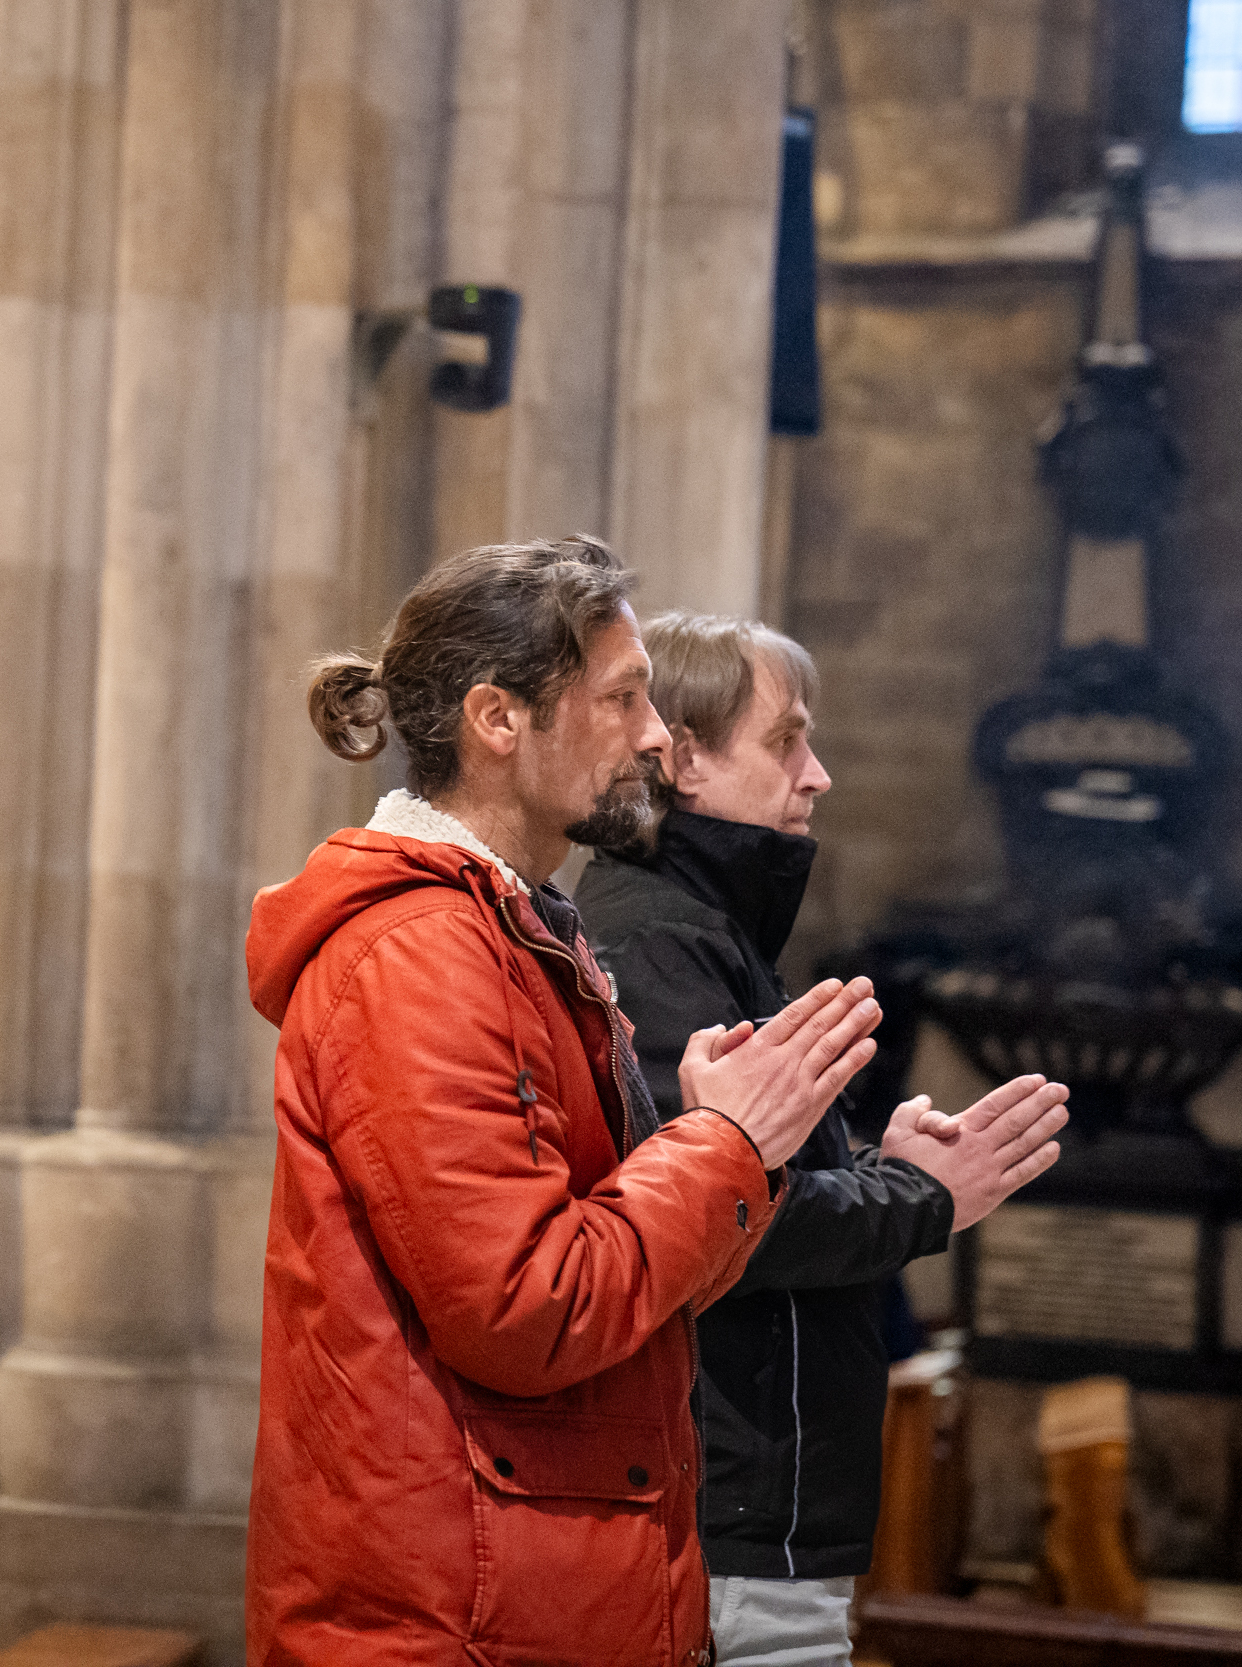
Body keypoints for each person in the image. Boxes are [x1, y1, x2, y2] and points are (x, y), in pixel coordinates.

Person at [246, 536, 890, 1666]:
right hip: (453, 1614)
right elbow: (527, 1307)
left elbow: (628, 1273)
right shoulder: (420, 956)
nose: (654, 735)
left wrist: (723, 1145)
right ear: (499, 719)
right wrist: (726, 1144)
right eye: (623, 698)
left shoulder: (515, 928)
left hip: (531, 1587)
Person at [573, 612, 1070, 1665]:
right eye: (786, 739)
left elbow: (751, 1180)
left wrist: (885, 1166)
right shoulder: (661, 942)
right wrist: (922, 1194)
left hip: (752, 1497)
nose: (819, 775)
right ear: (687, 759)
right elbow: (730, 1221)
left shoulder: (705, 932)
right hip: (729, 1501)